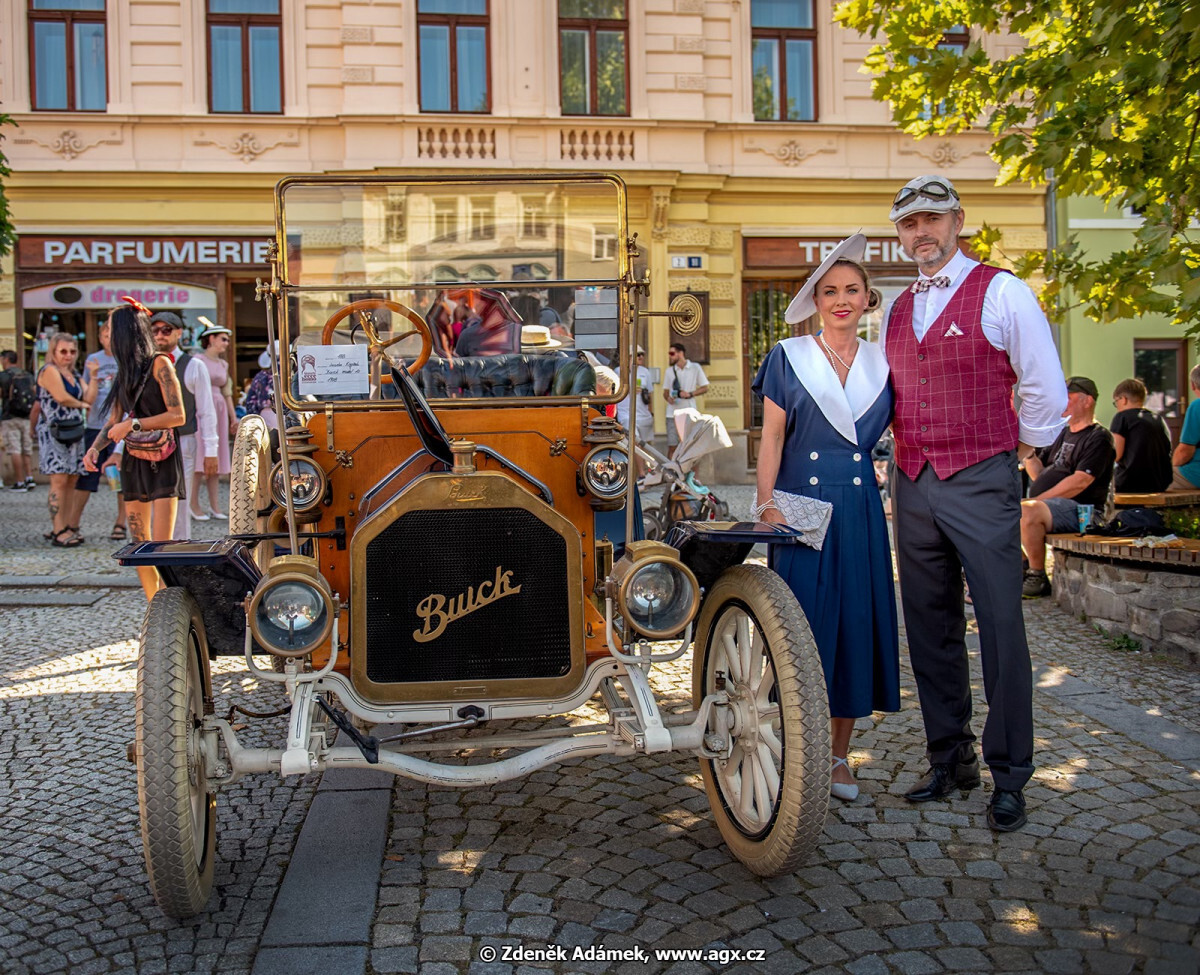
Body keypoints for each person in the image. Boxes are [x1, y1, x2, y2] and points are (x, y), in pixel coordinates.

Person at [882, 174, 1067, 833]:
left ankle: (1010, 774)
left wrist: (1010, 449)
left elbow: (1045, 386)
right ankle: (950, 759)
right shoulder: (896, 308)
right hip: (912, 479)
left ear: (958, 219)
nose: (921, 231)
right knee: (929, 626)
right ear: (899, 233)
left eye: (932, 217)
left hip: (982, 477)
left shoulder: (1002, 289)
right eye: (909, 223)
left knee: (1000, 624)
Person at [753, 234, 900, 801]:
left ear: (868, 299)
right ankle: (788, 744)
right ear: (816, 300)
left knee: (855, 629)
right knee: (801, 628)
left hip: (860, 507)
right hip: (799, 505)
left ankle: (838, 758)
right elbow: (772, 438)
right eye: (830, 290)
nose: (841, 299)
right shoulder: (788, 358)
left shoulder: (885, 364)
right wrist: (765, 501)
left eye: (852, 290)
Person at [83, 303, 186, 600]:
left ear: (125, 332)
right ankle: (152, 603)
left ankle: (166, 604)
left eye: (110, 326)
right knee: (139, 541)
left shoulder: (160, 364)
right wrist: (95, 448)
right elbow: (114, 421)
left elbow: (177, 416)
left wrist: (134, 425)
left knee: (162, 543)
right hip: (133, 460)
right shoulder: (124, 371)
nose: (106, 332)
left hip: (163, 458)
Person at [1019, 377, 1116, 597]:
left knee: (1026, 510)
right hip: (1054, 507)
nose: (1062, 403)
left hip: (1085, 511)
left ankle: (1037, 575)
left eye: (1068, 398)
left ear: (1087, 401)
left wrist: (1036, 502)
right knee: (999, 510)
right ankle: (1022, 568)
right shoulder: (1061, 433)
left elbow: (1080, 482)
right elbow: (1039, 474)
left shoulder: (1099, 437)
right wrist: (1029, 451)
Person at [148, 311, 218, 539]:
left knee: (179, 500)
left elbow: (206, 411)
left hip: (182, 440)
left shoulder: (193, 365)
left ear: (178, 333)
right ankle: (151, 554)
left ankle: (177, 551)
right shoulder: (144, 365)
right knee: (149, 500)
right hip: (147, 443)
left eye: (166, 330)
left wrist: (211, 451)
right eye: (155, 330)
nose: (160, 335)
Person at [36, 333, 93, 547]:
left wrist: (94, 377)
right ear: (53, 351)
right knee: (59, 480)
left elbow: (89, 397)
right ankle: (58, 529)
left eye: (72, 351)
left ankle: (69, 525)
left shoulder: (74, 374)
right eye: (63, 351)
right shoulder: (49, 370)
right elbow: (61, 397)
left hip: (74, 431)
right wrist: (81, 405)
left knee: (71, 479)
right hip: (55, 431)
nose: (68, 356)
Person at [76, 318, 128, 540]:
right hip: (97, 425)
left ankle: (121, 523)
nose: (110, 340)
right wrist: (95, 376)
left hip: (120, 427)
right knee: (86, 478)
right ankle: (72, 523)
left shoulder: (125, 360)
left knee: (120, 480)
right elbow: (87, 397)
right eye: (106, 336)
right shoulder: (92, 360)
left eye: (113, 336)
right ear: (100, 338)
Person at [191, 322, 239, 521]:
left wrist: (233, 416)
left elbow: (227, 393)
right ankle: (193, 504)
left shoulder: (223, 364)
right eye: (223, 339)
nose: (227, 344)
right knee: (200, 458)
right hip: (201, 410)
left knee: (217, 459)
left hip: (219, 409)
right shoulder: (197, 360)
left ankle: (215, 506)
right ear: (211, 339)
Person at [1110, 378, 1172, 494]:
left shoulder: (1122, 417)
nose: (1117, 406)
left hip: (1130, 482)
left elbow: (1116, 454)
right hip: (1160, 482)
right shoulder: (1157, 418)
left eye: (1116, 402)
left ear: (1123, 399)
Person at [662, 342, 708, 458]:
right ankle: (671, 474)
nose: (670, 356)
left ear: (680, 353)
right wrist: (668, 398)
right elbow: (665, 392)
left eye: (672, 353)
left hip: (689, 413)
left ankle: (691, 475)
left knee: (690, 446)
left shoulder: (695, 368)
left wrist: (690, 394)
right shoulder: (669, 371)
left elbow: (705, 387)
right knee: (672, 446)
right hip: (672, 414)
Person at [0, 349, 37, 491]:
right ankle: (29, 478)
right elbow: (35, 393)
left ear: (6, 359)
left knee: (15, 449)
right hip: (27, 416)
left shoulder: (3, 376)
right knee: (27, 449)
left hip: (10, 417)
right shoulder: (27, 374)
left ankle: (20, 482)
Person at [615, 347, 655, 475]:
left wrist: (651, 412)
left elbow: (650, 394)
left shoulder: (645, 372)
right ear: (630, 357)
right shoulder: (619, 371)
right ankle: (642, 473)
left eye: (642, 355)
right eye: (638, 355)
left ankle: (647, 472)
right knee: (636, 442)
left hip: (643, 414)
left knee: (645, 444)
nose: (641, 357)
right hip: (626, 414)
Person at [1171, 362, 1200, 490]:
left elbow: (1185, 451)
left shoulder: (1197, 406)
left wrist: (1171, 467)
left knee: (1151, 478)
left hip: (1196, 474)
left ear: (1193, 385)